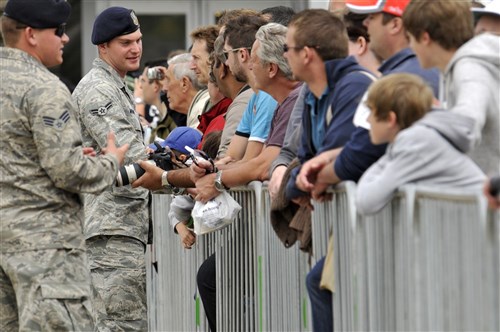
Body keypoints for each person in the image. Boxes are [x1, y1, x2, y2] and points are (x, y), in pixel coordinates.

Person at [0, 0, 128, 330]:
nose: (66, 39)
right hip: (46, 249)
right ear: (30, 34)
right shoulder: (44, 87)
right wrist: (110, 162)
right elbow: (68, 171)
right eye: (58, 31)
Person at [193, 22, 302, 332]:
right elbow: (242, 159)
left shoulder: (288, 100)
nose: (245, 63)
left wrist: (215, 180)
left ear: (270, 67)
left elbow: (260, 164)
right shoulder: (278, 101)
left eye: (252, 57)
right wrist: (216, 172)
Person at [281, 9, 375, 331]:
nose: (284, 56)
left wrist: (310, 176)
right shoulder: (312, 94)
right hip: (352, 220)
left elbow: (328, 166)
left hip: (376, 216)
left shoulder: (354, 88)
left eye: (287, 48)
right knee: (320, 284)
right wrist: (306, 177)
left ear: (306, 54)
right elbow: (302, 167)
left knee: (323, 285)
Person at [71, 7, 149, 331]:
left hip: (119, 227)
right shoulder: (98, 90)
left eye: (138, 40)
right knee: (122, 325)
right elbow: (132, 157)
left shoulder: (116, 85)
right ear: (103, 47)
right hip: (110, 231)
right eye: (125, 42)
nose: (136, 48)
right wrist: (182, 177)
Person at [356, 73, 486, 214]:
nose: (368, 120)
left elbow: (366, 201)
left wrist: (388, 156)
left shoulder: (416, 141)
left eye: (371, 112)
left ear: (390, 119)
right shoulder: (419, 137)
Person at [402, 0, 500, 175]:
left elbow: (467, 123)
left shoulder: (470, 68)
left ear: (425, 38)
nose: (410, 47)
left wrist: (422, 128)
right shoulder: (458, 67)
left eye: (410, 38)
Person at [164, 53, 206, 129]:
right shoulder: (201, 112)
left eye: (168, 80)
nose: (164, 88)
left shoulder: (202, 116)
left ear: (184, 84)